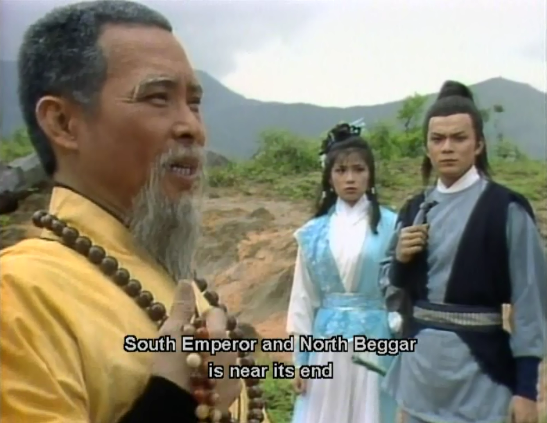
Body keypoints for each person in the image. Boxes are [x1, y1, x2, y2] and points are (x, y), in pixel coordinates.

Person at [0, 2, 268, 422]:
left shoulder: (173, 278)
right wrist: (171, 401)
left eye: (194, 104)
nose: (193, 128)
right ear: (63, 123)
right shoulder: (20, 294)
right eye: (157, 98)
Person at [380, 80, 547, 423]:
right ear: (427, 147)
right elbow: (390, 294)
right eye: (438, 139)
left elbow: (530, 301)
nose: (447, 148)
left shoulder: (506, 209)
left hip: (481, 378)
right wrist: (400, 263)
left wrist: (526, 390)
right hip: (419, 377)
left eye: (459, 138)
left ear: (479, 144)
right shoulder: (413, 210)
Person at [286, 123, 399, 423]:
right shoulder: (313, 233)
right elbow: (303, 298)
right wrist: (301, 360)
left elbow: (401, 289)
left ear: (370, 175)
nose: (350, 178)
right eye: (341, 170)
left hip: (376, 340)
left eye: (359, 169)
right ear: (329, 176)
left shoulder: (393, 225)